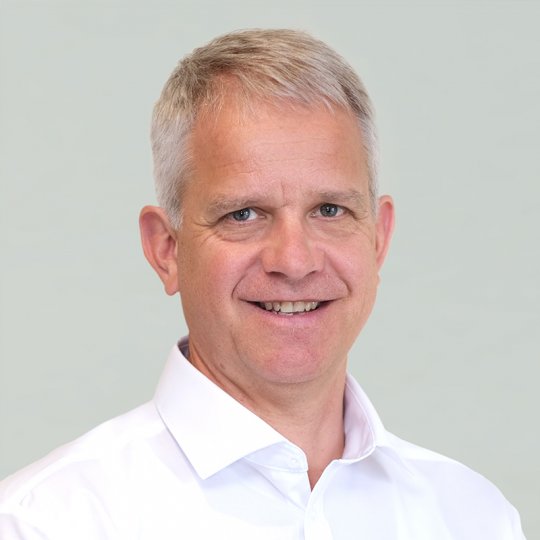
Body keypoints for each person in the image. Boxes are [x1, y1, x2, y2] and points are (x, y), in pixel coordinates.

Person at [0, 28, 526, 539]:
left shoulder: (474, 519)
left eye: (330, 209)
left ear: (378, 239)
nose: (294, 261)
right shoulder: (45, 523)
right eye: (243, 214)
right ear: (166, 249)